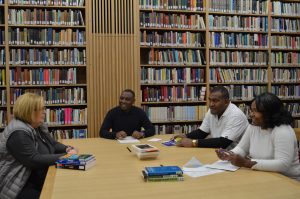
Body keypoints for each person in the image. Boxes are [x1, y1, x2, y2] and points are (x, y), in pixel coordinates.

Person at [0, 93, 78, 199]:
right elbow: (34, 159)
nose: (44, 112)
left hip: (38, 177)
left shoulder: (37, 126)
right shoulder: (18, 133)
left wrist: (66, 148)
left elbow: (52, 144)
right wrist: (66, 156)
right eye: (41, 109)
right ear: (30, 111)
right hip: (19, 185)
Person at [216, 92, 300, 181]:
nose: (251, 114)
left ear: (268, 112)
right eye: (251, 110)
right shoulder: (253, 126)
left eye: (255, 111)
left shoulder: (283, 131)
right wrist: (229, 154)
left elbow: (283, 164)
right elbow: (242, 149)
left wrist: (247, 163)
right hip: (262, 175)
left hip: (287, 180)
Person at [173, 86, 248, 149]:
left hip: (236, 156)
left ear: (226, 102)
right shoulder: (213, 110)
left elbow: (223, 142)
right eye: (210, 100)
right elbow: (202, 133)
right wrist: (185, 136)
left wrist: (193, 142)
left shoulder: (236, 115)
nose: (211, 104)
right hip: (220, 152)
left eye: (215, 101)